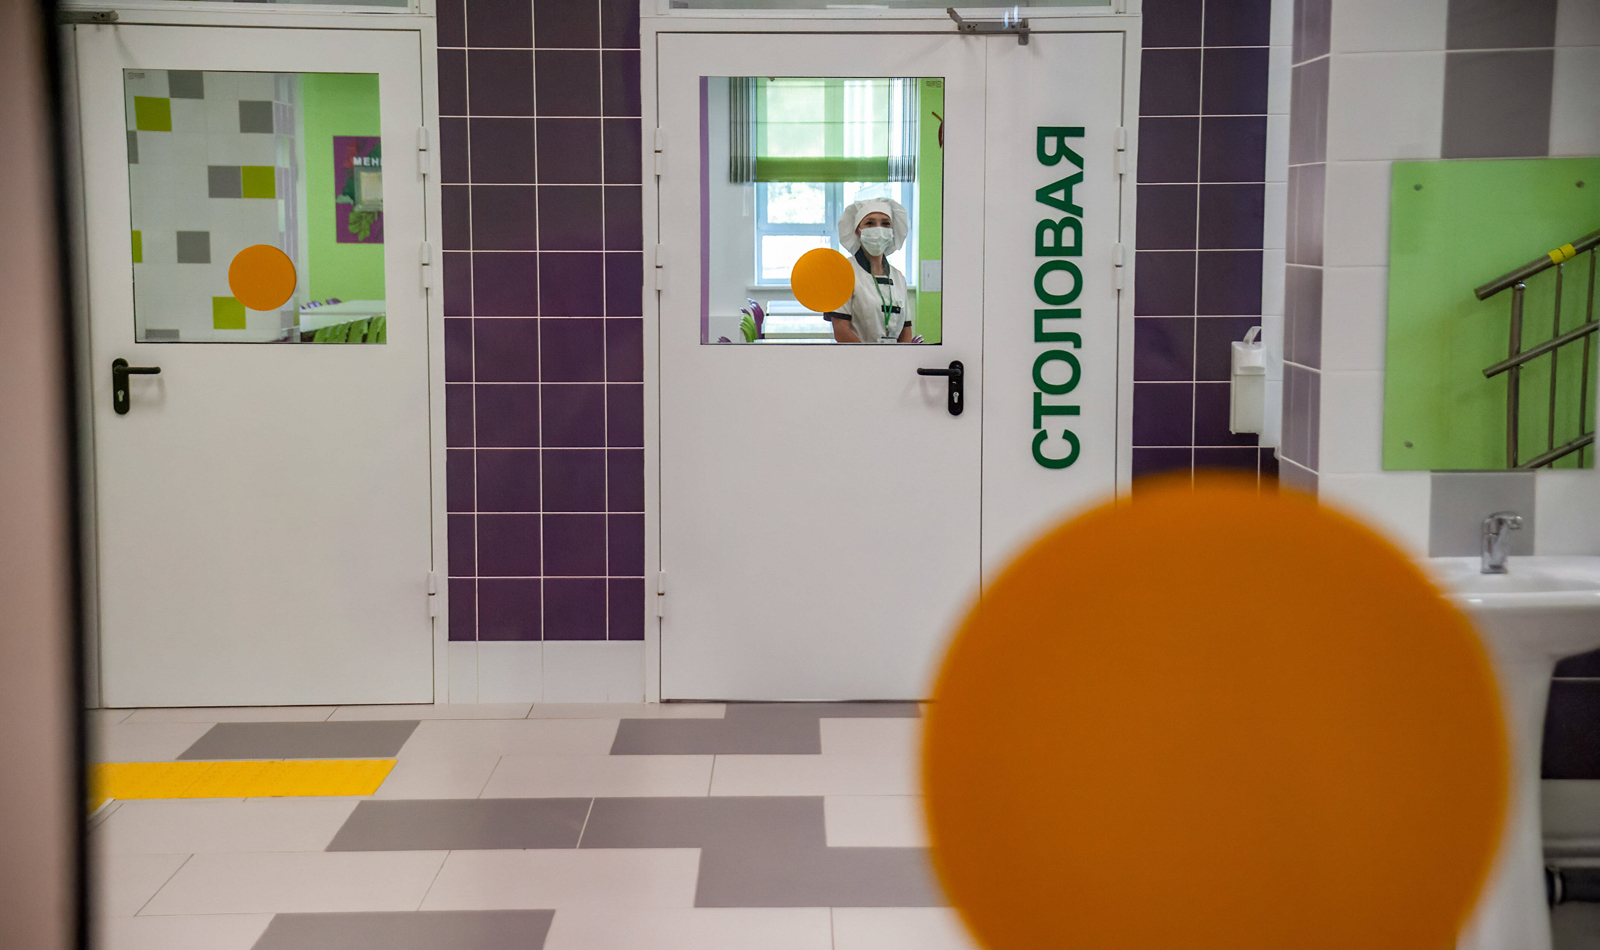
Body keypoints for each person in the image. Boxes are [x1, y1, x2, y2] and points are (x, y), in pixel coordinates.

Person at [826, 198, 915, 343]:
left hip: (894, 356)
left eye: (885, 224)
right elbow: (842, 332)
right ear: (857, 231)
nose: (878, 229)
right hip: (857, 356)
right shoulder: (843, 273)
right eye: (869, 223)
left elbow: (906, 331)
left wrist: (899, 355)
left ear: (892, 231)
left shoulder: (898, 277)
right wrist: (871, 355)